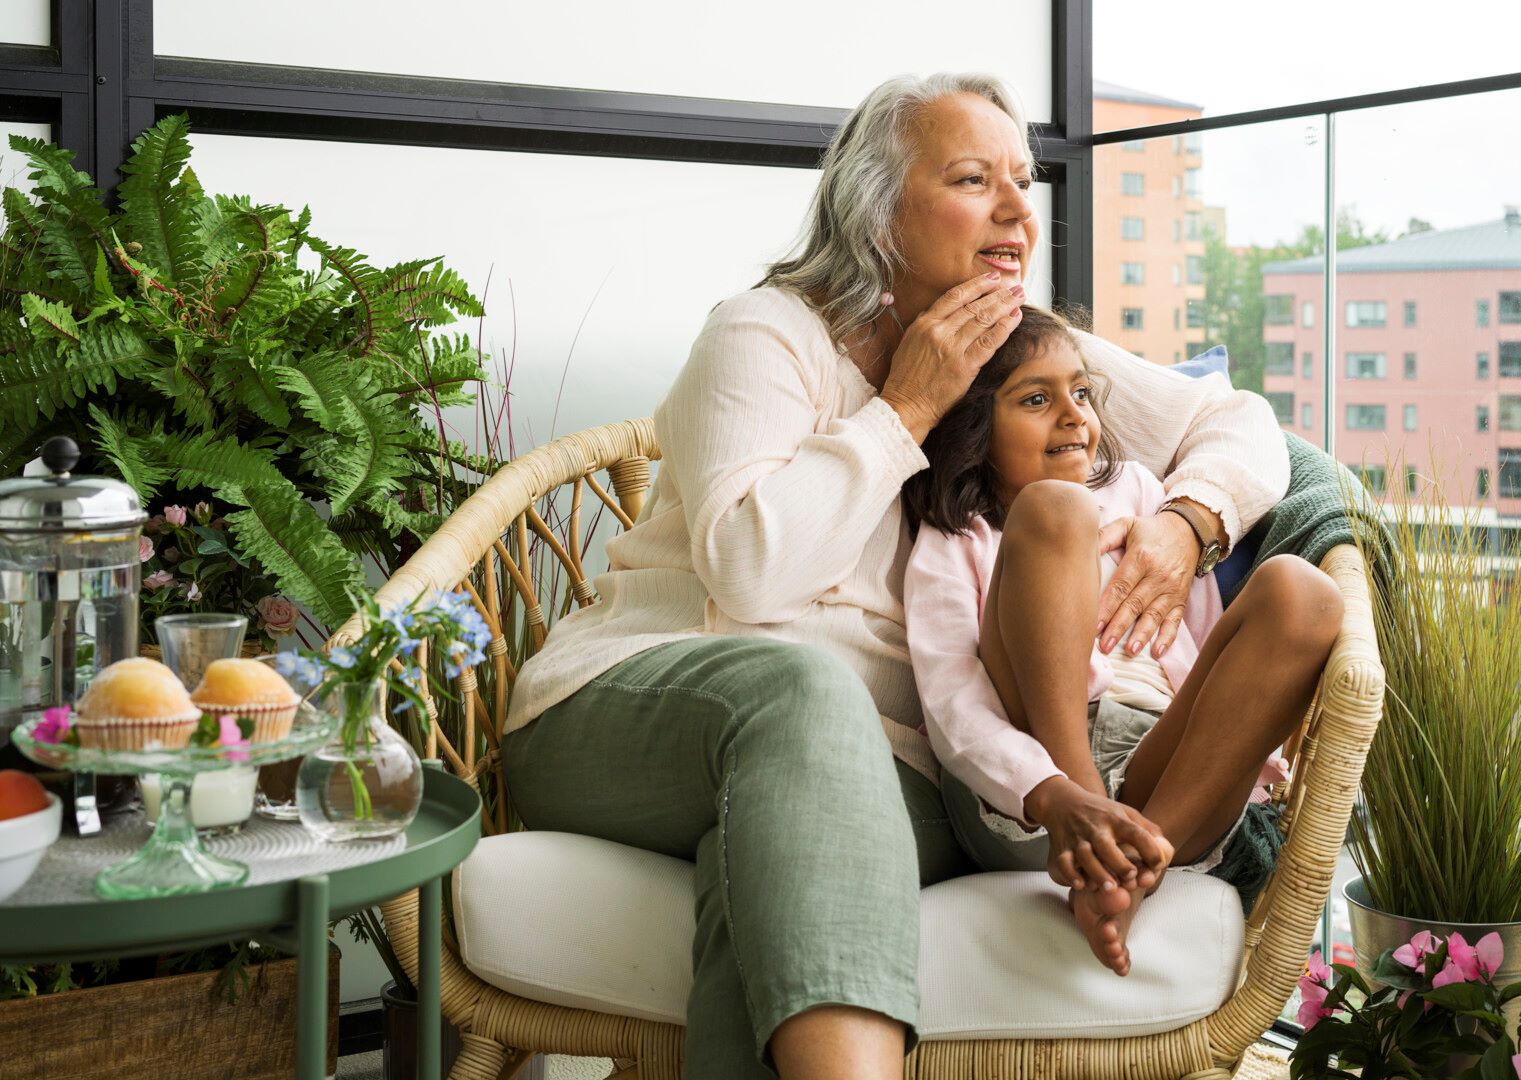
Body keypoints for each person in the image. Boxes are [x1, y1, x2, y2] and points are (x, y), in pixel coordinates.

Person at [501, 72, 1289, 1080]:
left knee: (771, 868)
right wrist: (905, 409)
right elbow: (750, 573)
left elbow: (1241, 426)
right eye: (973, 180)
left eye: (1023, 181)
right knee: (803, 693)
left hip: (874, 768)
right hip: (632, 710)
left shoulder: (1018, 349)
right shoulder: (766, 334)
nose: (1017, 209)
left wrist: (1190, 521)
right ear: (877, 215)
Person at [902, 306, 1341, 976]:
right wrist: (1058, 792)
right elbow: (952, 703)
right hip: (1038, 787)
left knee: (1305, 594)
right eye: (1036, 399)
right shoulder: (957, 535)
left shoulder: (1142, 493)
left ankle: (1126, 877)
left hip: (1164, 776)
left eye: (1081, 393)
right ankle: (1093, 834)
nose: (1074, 416)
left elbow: (1197, 650)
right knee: (1055, 508)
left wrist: (1246, 757)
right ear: (976, 426)